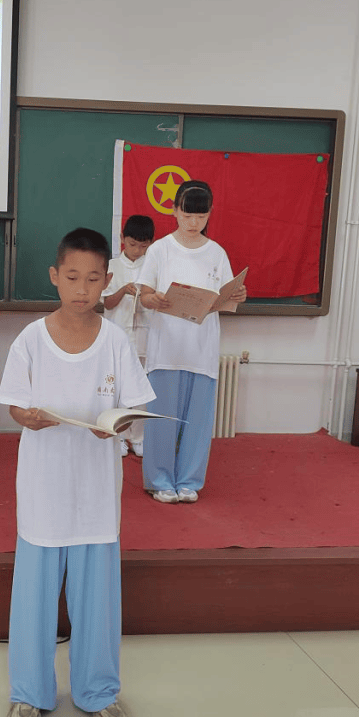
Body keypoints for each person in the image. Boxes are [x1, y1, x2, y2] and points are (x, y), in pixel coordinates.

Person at [0, 227, 155, 717]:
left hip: (95, 493)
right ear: (54, 277)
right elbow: (16, 405)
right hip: (44, 490)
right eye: (72, 277)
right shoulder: (30, 339)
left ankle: (98, 691)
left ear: (107, 280)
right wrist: (29, 417)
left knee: (98, 600)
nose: (82, 288)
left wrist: (122, 422)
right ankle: (29, 693)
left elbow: (134, 407)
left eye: (93, 278)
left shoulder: (115, 341)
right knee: (34, 599)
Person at [136, 180, 246, 504]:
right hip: (167, 348)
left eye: (200, 216)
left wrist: (238, 294)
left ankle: (188, 481)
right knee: (162, 419)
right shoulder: (160, 249)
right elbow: (144, 294)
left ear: (210, 214)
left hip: (202, 349)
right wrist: (153, 298)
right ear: (174, 211)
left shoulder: (217, 253)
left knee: (197, 422)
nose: (193, 223)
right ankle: (159, 480)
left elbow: (228, 297)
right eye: (187, 215)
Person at [101, 214, 155, 457]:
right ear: (122, 239)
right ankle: (120, 435)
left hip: (146, 334)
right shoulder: (112, 266)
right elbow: (108, 304)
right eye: (133, 244)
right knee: (119, 389)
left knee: (142, 387)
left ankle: (140, 436)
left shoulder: (152, 266)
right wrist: (123, 290)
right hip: (118, 335)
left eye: (144, 246)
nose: (137, 250)